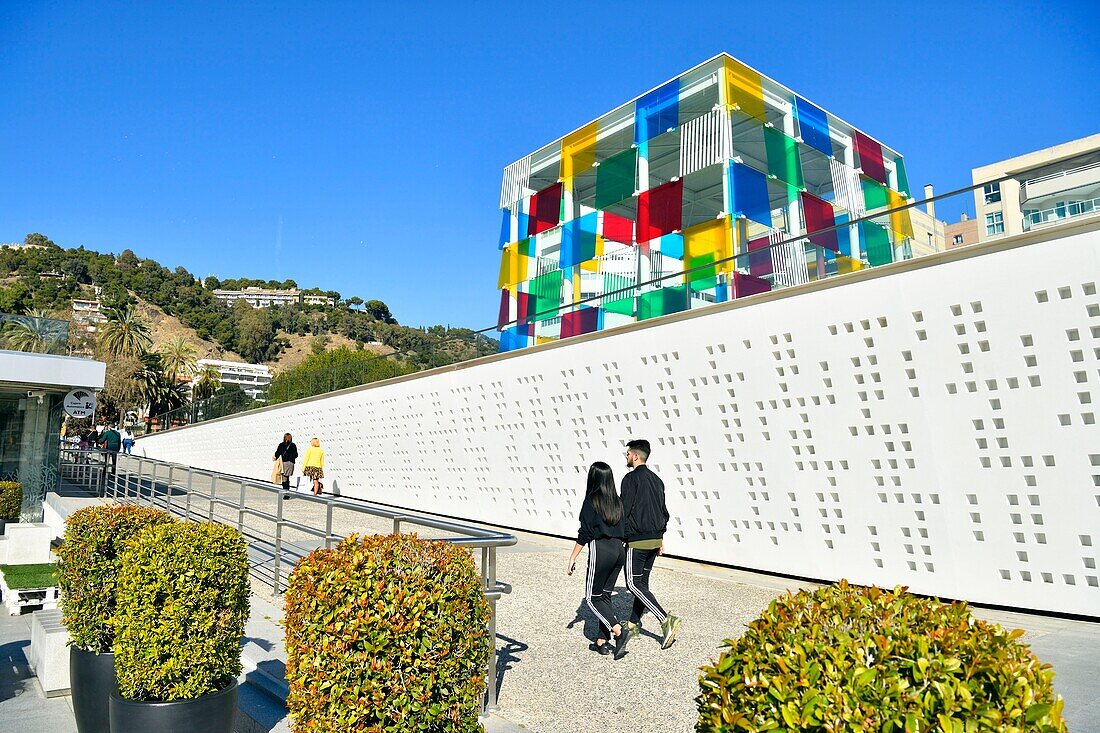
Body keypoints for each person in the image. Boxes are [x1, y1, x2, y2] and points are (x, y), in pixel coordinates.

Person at [620, 439, 680, 650]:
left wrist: (620, 537)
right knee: (642, 584)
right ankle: (633, 623)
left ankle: (665, 619)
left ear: (635, 456)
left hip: (638, 540)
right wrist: (661, 539)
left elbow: (624, 510)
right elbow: (662, 510)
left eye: (627, 454)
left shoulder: (630, 479)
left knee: (632, 584)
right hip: (654, 539)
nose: (626, 457)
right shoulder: (657, 480)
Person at [566, 462, 629, 658]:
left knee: (592, 598)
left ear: (593, 478)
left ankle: (618, 630)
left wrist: (572, 557)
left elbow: (584, 532)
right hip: (619, 550)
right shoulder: (617, 501)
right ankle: (601, 640)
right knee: (605, 596)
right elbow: (625, 530)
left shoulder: (591, 500)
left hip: (600, 549)